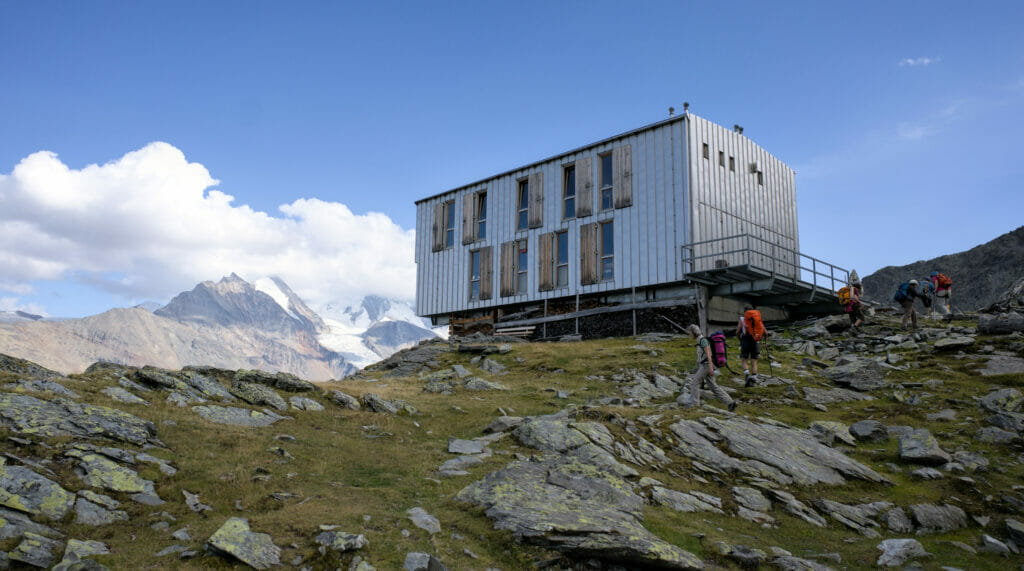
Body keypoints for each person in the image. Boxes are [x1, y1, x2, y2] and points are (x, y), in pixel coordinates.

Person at [678, 324, 736, 411]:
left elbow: (709, 354)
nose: (689, 335)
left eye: (689, 333)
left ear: (693, 333)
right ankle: (730, 403)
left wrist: (710, 367)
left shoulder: (703, 340)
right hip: (706, 365)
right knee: (713, 386)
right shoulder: (700, 340)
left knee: (694, 383)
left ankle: (694, 404)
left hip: (707, 365)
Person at [735, 306, 761, 387]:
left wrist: (740, 340)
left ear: (744, 312)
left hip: (745, 339)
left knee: (744, 359)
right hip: (755, 340)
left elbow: (737, 332)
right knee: (754, 361)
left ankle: (747, 375)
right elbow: (764, 330)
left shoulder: (742, 319)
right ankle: (753, 379)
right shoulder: (757, 317)